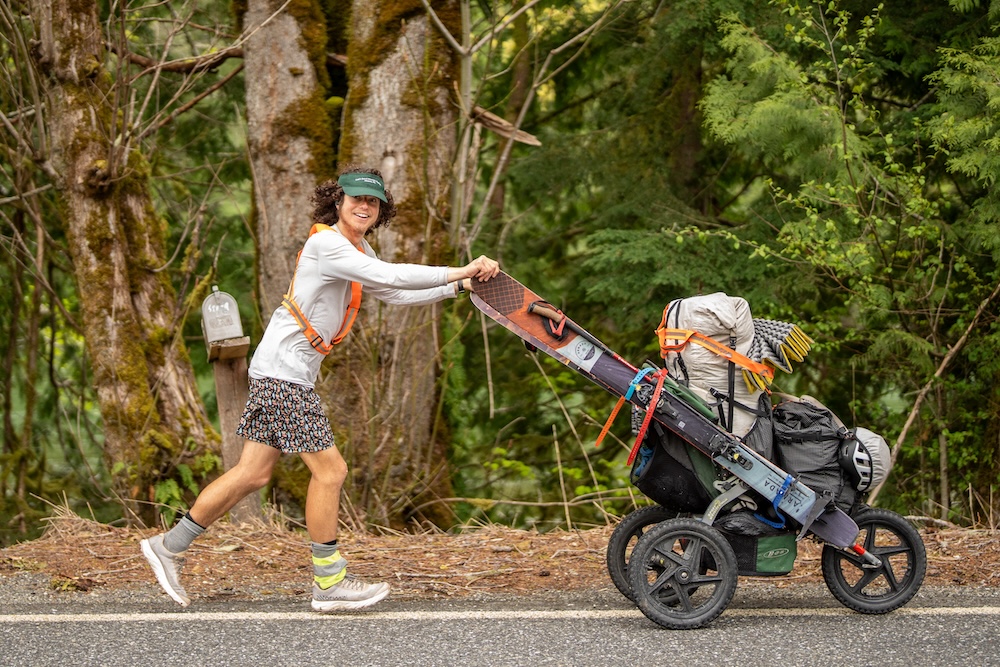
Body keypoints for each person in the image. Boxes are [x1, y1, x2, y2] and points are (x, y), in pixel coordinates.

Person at [140, 166, 500, 612]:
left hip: (283, 370)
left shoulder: (358, 248)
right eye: (356, 199)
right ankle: (328, 582)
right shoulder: (327, 243)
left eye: (373, 202)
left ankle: (168, 546)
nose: (364, 207)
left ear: (380, 209)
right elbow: (392, 277)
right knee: (331, 472)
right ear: (338, 201)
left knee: (253, 473)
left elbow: (394, 293)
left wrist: (460, 287)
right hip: (283, 373)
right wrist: (459, 269)